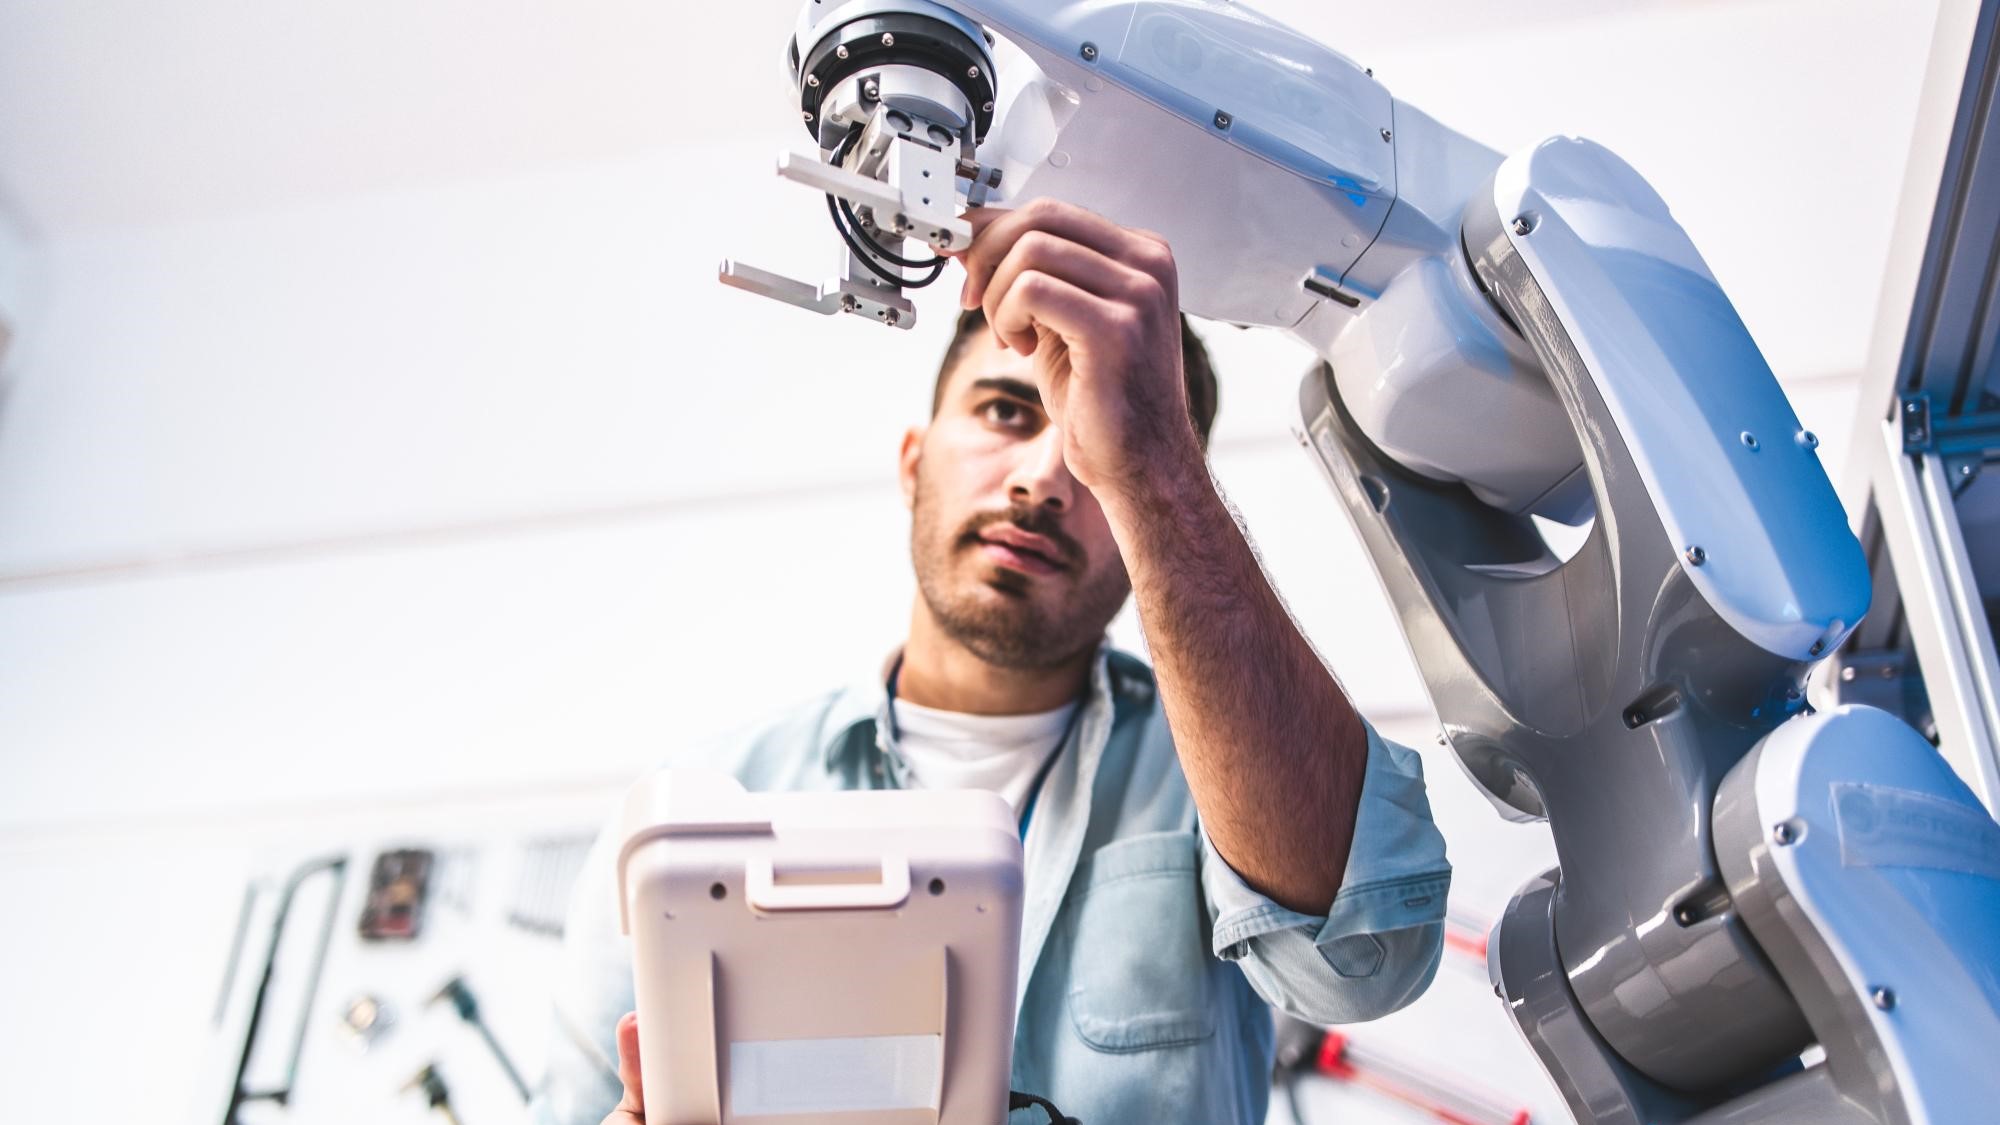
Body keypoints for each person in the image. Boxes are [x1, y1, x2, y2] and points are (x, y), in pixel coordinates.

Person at [533, 200, 1451, 1125]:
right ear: (913, 461)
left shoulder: (1218, 790)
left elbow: (1368, 956)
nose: (1049, 476)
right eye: (1009, 411)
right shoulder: (700, 802)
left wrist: (1152, 465)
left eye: (1099, 441)